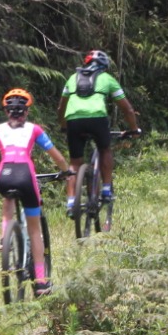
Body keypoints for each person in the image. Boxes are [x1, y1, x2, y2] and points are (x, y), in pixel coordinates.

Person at [0, 88, 71, 297]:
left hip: (3, 175)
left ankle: (4, 238)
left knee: (7, 199)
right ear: (27, 111)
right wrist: (65, 171)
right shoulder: (34, 130)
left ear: (6, 111)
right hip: (25, 176)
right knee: (34, 231)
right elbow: (57, 156)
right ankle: (40, 282)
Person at [57, 50, 141, 216]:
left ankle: (71, 202)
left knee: (74, 162)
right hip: (97, 119)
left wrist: (64, 126)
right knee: (105, 150)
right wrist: (133, 129)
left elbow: (61, 108)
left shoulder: (72, 78)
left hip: (73, 120)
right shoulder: (107, 79)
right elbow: (128, 109)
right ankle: (107, 190)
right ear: (104, 66)